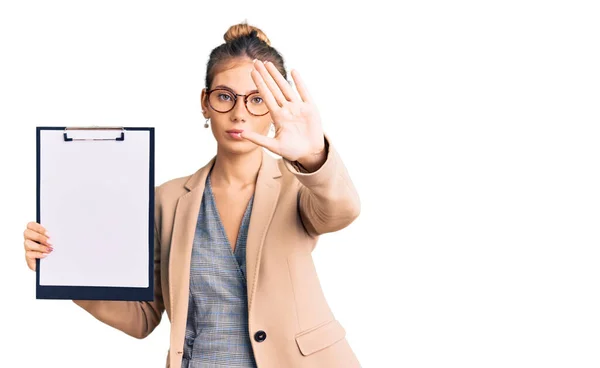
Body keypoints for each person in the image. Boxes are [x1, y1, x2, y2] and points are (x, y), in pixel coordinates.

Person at [23, 21, 361, 368]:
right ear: (205, 102)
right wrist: (64, 270)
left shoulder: (299, 184)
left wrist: (312, 154)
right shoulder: (167, 201)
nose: (239, 113)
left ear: (276, 109)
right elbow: (142, 316)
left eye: (258, 100)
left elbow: (342, 211)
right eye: (225, 96)